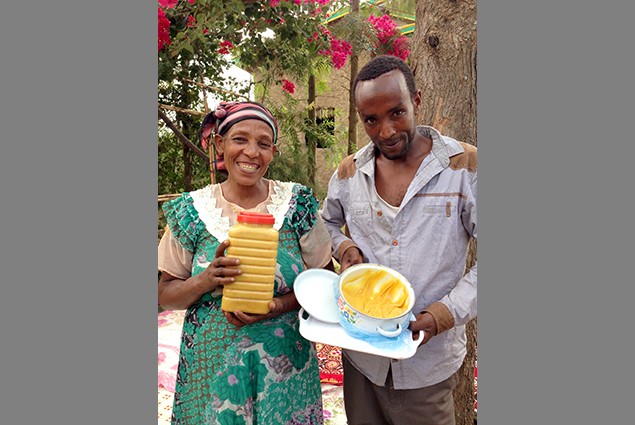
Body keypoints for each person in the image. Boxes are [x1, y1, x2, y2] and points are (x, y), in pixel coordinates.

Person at [320, 55, 477, 425]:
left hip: (427, 365)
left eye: (397, 112)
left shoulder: (464, 168)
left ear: (417, 101)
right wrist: (345, 247)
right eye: (371, 120)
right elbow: (324, 225)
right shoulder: (349, 173)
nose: (387, 131)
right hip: (362, 358)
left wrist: (442, 314)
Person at [158, 101, 334, 424]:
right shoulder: (193, 212)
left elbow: (325, 283)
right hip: (209, 371)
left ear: (273, 151)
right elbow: (164, 293)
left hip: (284, 371)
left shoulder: (297, 206)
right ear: (221, 144)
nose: (251, 152)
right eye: (240, 139)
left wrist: (278, 305)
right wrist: (205, 279)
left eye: (263, 144)